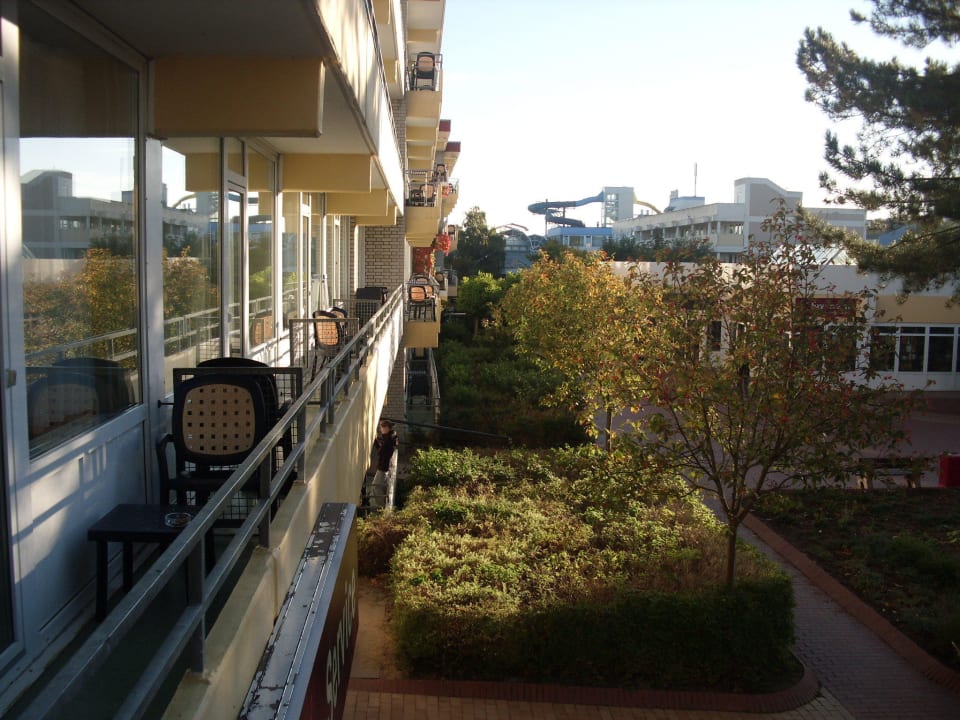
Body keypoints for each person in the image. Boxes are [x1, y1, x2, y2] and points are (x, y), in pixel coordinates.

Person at [369, 420, 398, 508]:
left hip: (383, 467)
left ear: (386, 428)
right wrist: (376, 440)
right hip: (385, 466)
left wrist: (376, 441)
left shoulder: (388, 439)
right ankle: (381, 505)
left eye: (381, 428)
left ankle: (381, 507)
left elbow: (380, 452)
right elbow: (382, 450)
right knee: (378, 486)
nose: (381, 430)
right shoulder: (391, 436)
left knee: (376, 487)